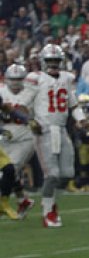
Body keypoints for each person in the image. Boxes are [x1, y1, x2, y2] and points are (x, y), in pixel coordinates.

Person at [25, 44, 88, 228]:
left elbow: (73, 104)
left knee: (67, 173)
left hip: (61, 129)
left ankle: (51, 201)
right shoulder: (35, 78)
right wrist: (30, 120)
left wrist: (81, 119)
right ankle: (48, 211)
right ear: (43, 62)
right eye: (50, 61)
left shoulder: (67, 78)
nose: (53, 64)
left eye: (56, 61)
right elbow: (25, 103)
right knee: (51, 174)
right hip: (43, 130)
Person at [0, 63, 36, 218]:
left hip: (25, 136)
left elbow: (16, 112)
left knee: (10, 169)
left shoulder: (32, 92)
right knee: (9, 171)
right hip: (5, 137)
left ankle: (5, 204)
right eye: (12, 79)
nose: (15, 83)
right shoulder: (1, 91)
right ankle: (22, 200)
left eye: (19, 79)